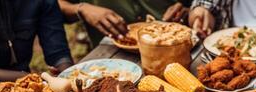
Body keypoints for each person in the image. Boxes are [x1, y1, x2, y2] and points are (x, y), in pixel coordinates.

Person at [0, 0, 73, 82]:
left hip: (25, 86)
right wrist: (31, 77)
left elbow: (58, 53)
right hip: (22, 80)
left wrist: (67, 76)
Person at [58, 0, 191, 45]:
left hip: (179, 42)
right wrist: (80, 8)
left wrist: (191, 6)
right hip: (115, 56)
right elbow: (53, 6)